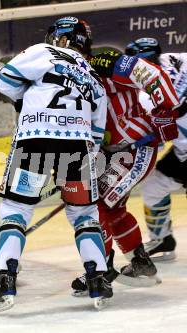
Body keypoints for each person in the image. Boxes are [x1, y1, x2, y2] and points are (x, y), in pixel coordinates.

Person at [0, 16, 109, 312]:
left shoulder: (44, 52)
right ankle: (97, 280)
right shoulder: (94, 77)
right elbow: (97, 132)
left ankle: (6, 280)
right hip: (78, 146)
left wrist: (26, 97)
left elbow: (4, 82)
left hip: (35, 140)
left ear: (58, 37)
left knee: (16, 209)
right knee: (84, 214)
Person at [71, 37, 180, 295]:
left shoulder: (101, 59)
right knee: (113, 209)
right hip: (114, 153)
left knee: (96, 207)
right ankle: (141, 263)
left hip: (136, 148)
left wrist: (167, 111)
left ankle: (100, 270)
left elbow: (153, 74)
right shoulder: (65, 74)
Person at [125, 37, 187, 261]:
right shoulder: (179, 58)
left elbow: (156, 142)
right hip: (183, 154)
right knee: (154, 186)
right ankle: (163, 240)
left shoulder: (145, 96)